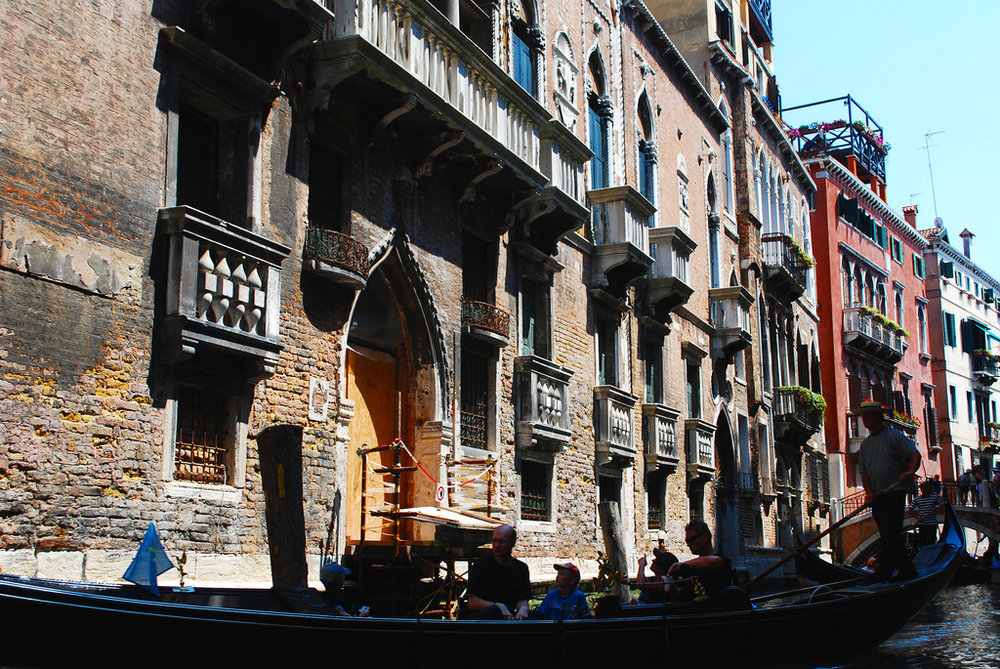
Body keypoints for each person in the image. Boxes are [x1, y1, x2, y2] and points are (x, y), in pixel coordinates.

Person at [857, 400, 921, 582]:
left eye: (870, 415)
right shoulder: (865, 445)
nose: (866, 419)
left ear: (879, 417)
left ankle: (886, 572)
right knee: (887, 534)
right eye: (864, 416)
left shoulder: (894, 436)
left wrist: (910, 472)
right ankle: (904, 570)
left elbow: (915, 454)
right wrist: (868, 493)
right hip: (877, 496)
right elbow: (863, 472)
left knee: (890, 533)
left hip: (895, 491)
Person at [467, 524, 531, 620]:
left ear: (512, 543)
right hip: (484, 618)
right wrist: (498, 606)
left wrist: (523, 608)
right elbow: (472, 602)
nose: (497, 545)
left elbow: (522, 599)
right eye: (494, 541)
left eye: (502, 541)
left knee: (537, 615)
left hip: (509, 617)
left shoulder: (521, 568)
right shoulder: (480, 565)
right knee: (494, 612)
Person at [666, 520, 732, 599]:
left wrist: (682, 564)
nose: (688, 544)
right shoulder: (693, 567)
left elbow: (713, 561)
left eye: (691, 539)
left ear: (705, 537)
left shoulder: (721, 560)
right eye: (687, 541)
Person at [908, 480, 945, 548]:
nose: (925, 489)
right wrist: (917, 518)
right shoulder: (917, 499)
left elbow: (942, 506)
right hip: (922, 524)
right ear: (921, 489)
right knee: (922, 542)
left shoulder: (934, 497)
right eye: (924, 488)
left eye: (926, 488)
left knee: (931, 542)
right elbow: (910, 510)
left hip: (932, 523)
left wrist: (936, 508)